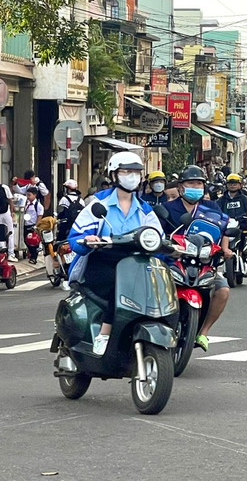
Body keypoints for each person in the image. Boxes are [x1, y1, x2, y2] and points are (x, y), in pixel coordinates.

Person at [68, 151, 163, 357]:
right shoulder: (97, 203)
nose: (132, 176)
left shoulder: (144, 208)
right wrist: (88, 240)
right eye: (126, 171)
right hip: (103, 262)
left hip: (137, 263)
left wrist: (169, 249)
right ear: (113, 175)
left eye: (136, 172)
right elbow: (76, 237)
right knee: (119, 287)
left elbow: (158, 237)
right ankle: (105, 333)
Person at [160, 165, 233, 352]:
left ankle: (203, 332)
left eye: (199, 184)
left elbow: (225, 228)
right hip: (172, 262)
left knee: (223, 290)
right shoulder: (166, 208)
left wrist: (224, 249)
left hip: (203, 264)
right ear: (181, 187)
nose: (196, 187)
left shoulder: (211, 208)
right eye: (191, 183)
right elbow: (156, 233)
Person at [218, 173, 247, 250]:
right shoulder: (221, 199)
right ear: (226, 185)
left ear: (240, 185)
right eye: (230, 184)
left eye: (235, 184)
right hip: (225, 222)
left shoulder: (245, 198)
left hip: (241, 221)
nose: (232, 186)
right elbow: (215, 210)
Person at [0, 172, 16, 262]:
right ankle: (11, 254)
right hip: (6, 212)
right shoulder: (4, 187)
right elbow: (10, 200)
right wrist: (12, 212)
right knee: (10, 233)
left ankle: (2, 254)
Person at [22, 187, 44, 264]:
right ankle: (31, 253)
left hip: (32, 225)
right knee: (26, 240)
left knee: (33, 242)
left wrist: (36, 226)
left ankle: (34, 257)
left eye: (29, 195)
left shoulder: (38, 205)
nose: (28, 197)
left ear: (34, 195)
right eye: (27, 195)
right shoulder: (26, 203)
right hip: (26, 224)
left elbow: (39, 216)